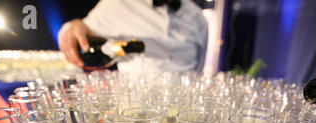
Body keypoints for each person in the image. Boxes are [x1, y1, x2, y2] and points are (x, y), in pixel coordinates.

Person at [57, 0, 208, 75]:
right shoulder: (118, 4)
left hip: (184, 114)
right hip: (135, 113)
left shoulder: (197, 17)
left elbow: (198, 70)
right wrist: (75, 25)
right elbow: (72, 34)